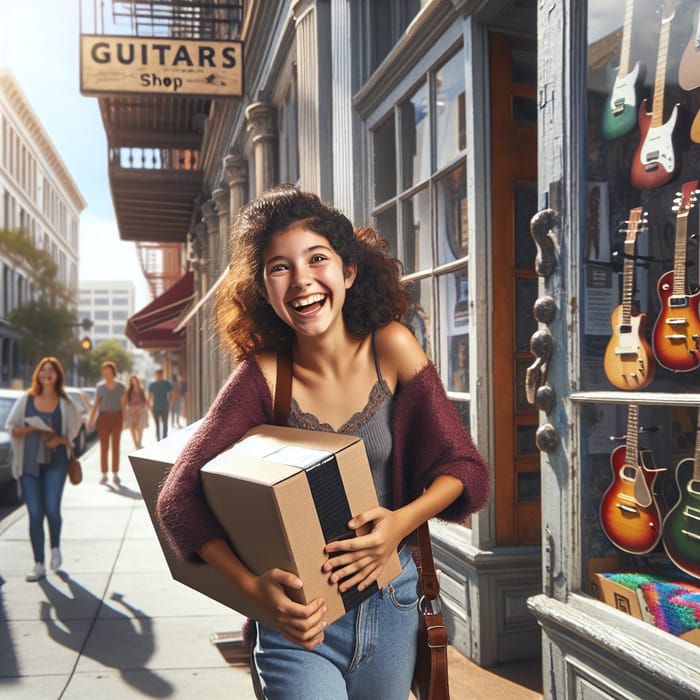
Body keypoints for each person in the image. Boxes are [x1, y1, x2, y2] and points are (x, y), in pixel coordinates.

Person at [155, 186, 489, 700]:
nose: (302, 280)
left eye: (317, 258)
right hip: (300, 623)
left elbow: (464, 467)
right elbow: (177, 498)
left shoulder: (393, 347)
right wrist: (253, 592)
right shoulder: (263, 377)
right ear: (263, 290)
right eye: (279, 267)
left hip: (394, 601)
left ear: (348, 271)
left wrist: (400, 521)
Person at [5, 357, 81, 582]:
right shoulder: (26, 399)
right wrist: (27, 431)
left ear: (57, 376)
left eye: (51, 371)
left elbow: (76, 427)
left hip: (56, 464)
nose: (47, 373)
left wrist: (60, 439)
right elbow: (12, 427)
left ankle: (55, 548)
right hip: (29, 464)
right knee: (35, 513)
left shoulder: (65, 402)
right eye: (43, 370)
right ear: (38, 374)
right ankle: (38, 564)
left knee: (52, 509)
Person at [88, 361, 125, 485]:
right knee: (104, 447)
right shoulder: (100, 387)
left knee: (115, 446)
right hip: (103, 418)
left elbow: (124, 405)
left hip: (117, 417)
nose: (106, 375)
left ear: (113, 373)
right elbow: (95, 406)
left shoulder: (121, 387)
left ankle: (115, 473)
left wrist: (124, 420)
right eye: (104, 373)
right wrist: (91, 420)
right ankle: (104, 474)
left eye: (109, 372)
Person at [122, 374, 148, 450]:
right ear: (130, 381)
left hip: (140, 410)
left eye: (135, 380)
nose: (134, 381)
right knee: (132, 428)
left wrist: (146, 407)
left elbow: (145, 400)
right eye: (132, 380)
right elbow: (124, 402)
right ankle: (136, 443)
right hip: (131, 411)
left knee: (140, 427)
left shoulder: (141, 389)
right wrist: (124, 413)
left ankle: (139, 443)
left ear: (137, 380)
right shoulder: (128, 390)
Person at [148, 368, 172, 440]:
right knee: (157, 424)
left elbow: (171, 394)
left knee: (165, 423)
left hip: (165, 406)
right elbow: (150, 396)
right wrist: (149, 406)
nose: (159, 376)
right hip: (156, 407)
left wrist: (171, 403)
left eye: (160, 375)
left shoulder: (167, 384)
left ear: (162, 375)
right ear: (156, 375)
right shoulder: (152, 385)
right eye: (158, 375)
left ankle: (165, 438)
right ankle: (158, 439)